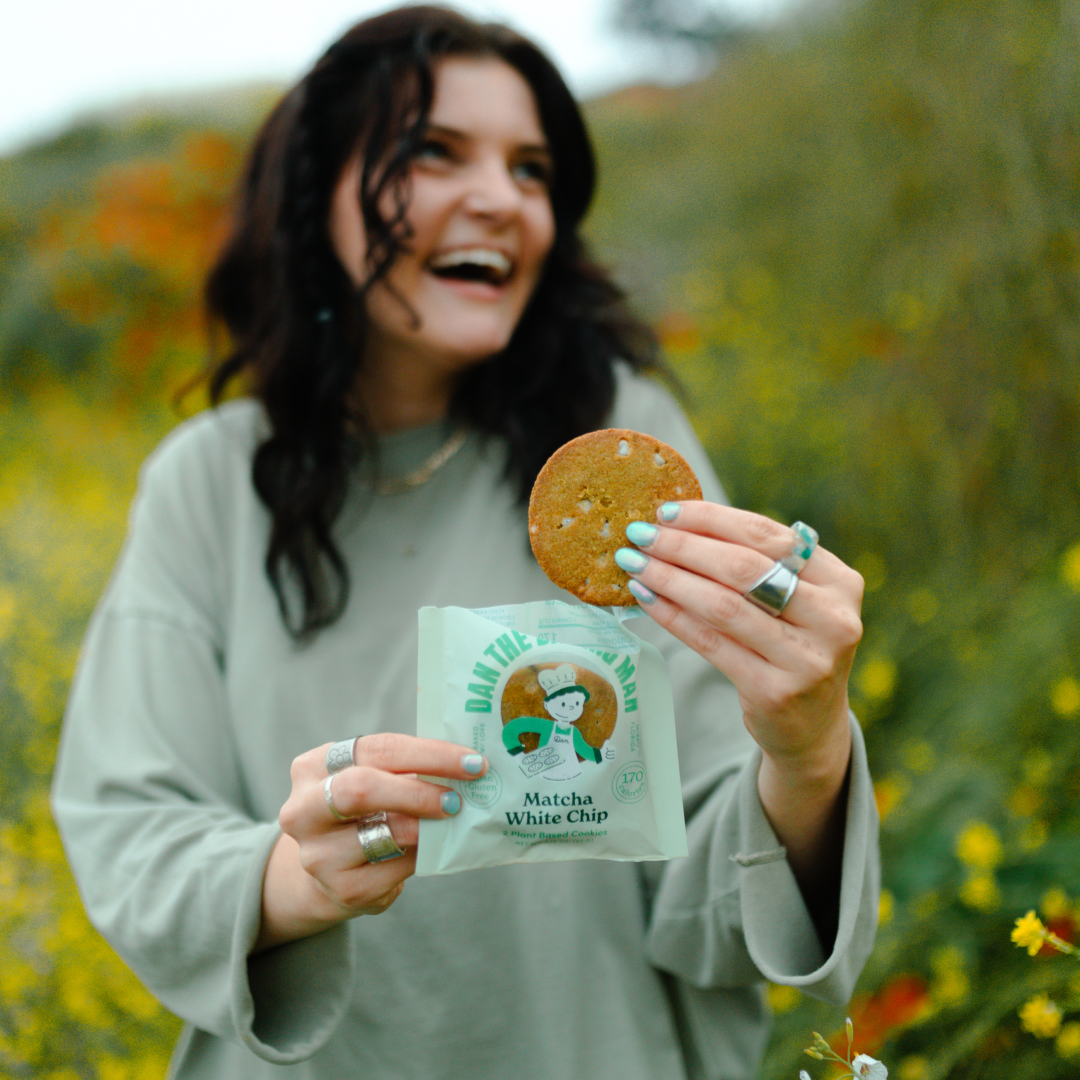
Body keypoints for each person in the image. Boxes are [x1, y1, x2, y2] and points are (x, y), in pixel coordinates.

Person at [51, 7, 879, 1079]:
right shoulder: (209, 481)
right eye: (434, 150)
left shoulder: (618, 446)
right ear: (316, 197)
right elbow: (128, 823)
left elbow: (721, 895)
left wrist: (808, 747)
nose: (500, 197)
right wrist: (289, 880)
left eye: (532, 168)